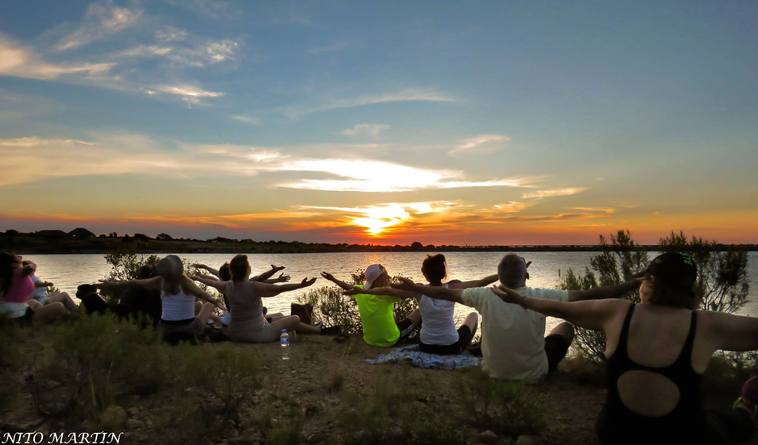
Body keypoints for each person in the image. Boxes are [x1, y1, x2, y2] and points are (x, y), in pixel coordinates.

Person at [491, 252, 758, 444]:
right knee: (732, 418)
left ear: (649, 282)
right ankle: (747, 404)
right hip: (681, 436)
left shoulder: (618, 312)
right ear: (690, 289)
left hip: (615, 432)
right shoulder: (706, 324)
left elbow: (560, 308)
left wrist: (520, 300)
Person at [394, 253, 640, 380]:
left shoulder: (481, 296)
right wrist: (631, 284)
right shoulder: (542, 295)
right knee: (564, 327)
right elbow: (591, 294)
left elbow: (441, 293)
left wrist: (416, 288)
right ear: (526, 276)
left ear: (500, 277)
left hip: (492, 372)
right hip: (534, 374)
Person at [344, 254, 497, 354]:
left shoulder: (417, 290)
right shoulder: (453, 287)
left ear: (424, 274)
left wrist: (364, 291)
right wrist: (503, 275)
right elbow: (481, 282)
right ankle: (470, 349)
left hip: (426, 346)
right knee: (472, 316)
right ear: (443, 273)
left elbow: (387, 290)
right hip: (450, 346)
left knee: (421, 310)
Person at [201, 254, 332, 343]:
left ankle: (319, 330)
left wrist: (196, 278)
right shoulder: (253, 286)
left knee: (281, 317)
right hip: (256, 335)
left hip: (235, 334)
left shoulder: (227, 286)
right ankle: (321, 331)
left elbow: (212, 282)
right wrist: (302, 285)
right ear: (247, 270)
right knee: (295, 318)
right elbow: (280, 289)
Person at [96, 255, 224, 343]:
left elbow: (134, 282)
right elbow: (203, 295)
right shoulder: (186, 282)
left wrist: (112, 284)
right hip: (187, 329)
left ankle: (217, 322)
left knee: (197, 306)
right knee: (204, 305)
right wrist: (215, 301)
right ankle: (221, 323)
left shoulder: (159, 281)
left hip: (164, 329)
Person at [322, 264, 421, 347]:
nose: (389, 277)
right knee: (419, 311)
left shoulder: (360, 291)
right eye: (386, 275)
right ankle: (422, 340)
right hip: (389, 341)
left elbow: (346, 286)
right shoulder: (387, 295)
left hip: (369, 340)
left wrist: (333, 279)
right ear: (378, 281)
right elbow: (413, 294)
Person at [0, 252, 67, 324]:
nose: (20, 257)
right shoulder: (17, 272)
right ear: (13, 264)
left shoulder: (6, 275)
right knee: (59, 306)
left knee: (33, 302)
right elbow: (30, 267)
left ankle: (45, 318)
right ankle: (44, 322)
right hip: (21, 319)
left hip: (10, 310)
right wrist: (28, 266)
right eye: (17, 257)